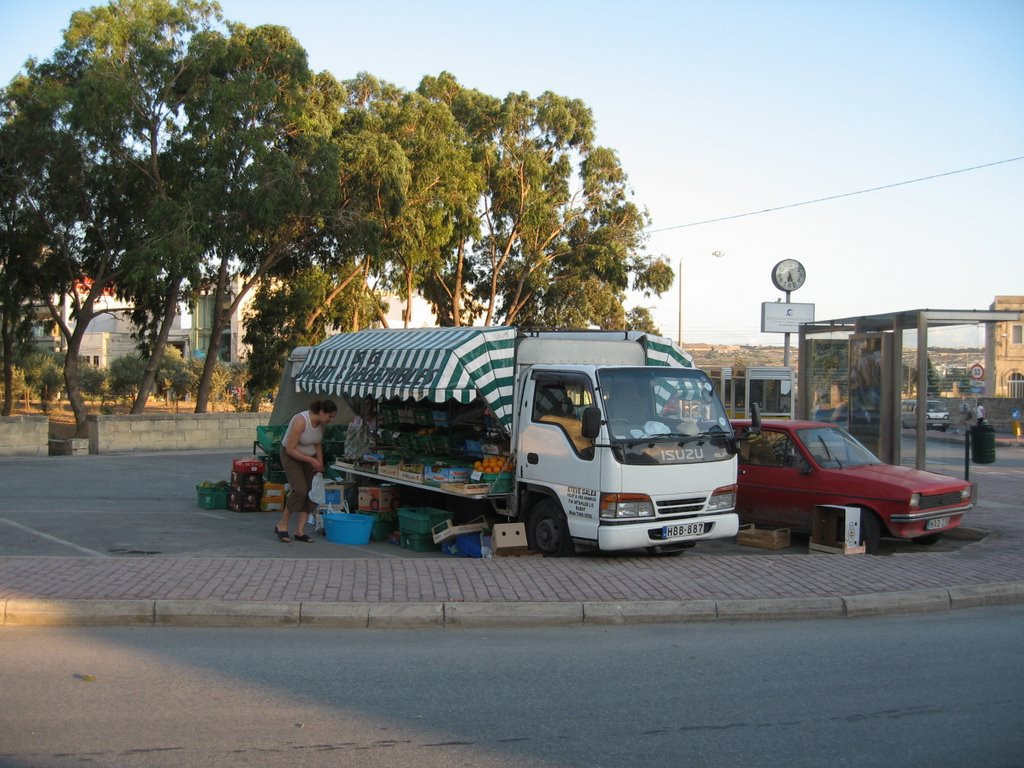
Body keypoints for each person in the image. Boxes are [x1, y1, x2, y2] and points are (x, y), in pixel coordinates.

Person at [275, 399, 338, 543]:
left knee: (310, 492)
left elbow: (317, 443)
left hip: (310, 456)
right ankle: (282, 524)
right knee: (300, 490)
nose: (331, 420)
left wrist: (319, 462)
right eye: (330, 416)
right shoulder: (300, 421)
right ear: (322, 412)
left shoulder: (322, 425)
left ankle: (299, 530)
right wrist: (312, 461)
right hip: (291, 455)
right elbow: (290, 449)